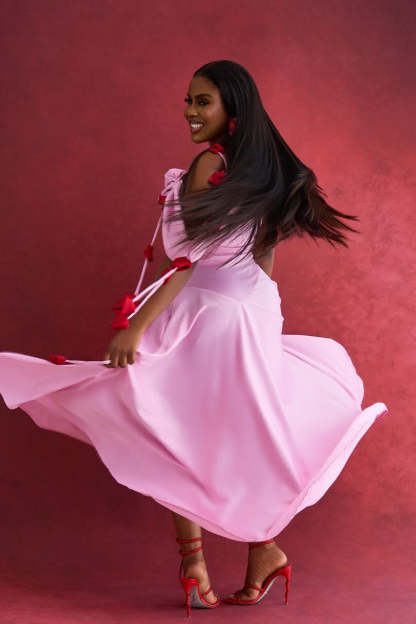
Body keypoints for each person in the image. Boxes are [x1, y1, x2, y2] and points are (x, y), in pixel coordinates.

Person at [0, 60, 388, 616]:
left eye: (203, 101)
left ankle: (195, 565)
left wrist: (134, 327)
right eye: (188, 100)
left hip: (206, 311)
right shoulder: (260, 170)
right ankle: (264, 551)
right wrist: (259, 316)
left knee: (177, 431)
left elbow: (186, 260)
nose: (189, 111)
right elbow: (263, 254)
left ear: (234, 109)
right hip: (249, 310)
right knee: (240, 433)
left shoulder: (211, 164)